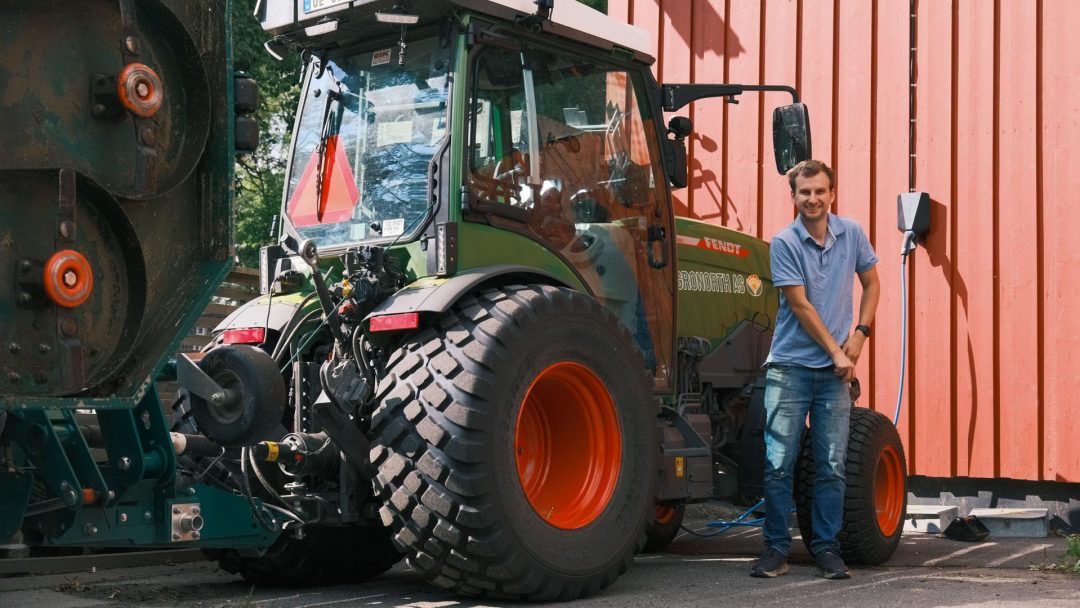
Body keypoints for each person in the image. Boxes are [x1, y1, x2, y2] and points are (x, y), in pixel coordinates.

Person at [751, 160, 880, 580]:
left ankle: (826, 549)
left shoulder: (852, 233)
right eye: (804, 192)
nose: (812, 199)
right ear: (793, 197)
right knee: (778, 464)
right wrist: (837, 353)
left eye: (820, 191)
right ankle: (776, 549)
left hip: (833, 374)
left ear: (832, 194)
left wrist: (860, 334)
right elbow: (801, 305)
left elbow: (872, 283)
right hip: (789, 368)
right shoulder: (784, 242)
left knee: (831, 465)